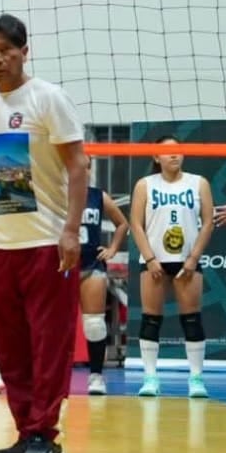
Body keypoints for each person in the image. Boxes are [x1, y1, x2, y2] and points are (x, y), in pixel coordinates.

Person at [0, 13, 89, 453]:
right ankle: (26, 431)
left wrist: (70, 229)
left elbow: (79, 167)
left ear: (25, 51)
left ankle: (46, 433)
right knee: (10, 346)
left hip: (46, 242)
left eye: (7, 50)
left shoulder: (48, 98)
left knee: (49, 344)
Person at [129, 136, 214, 399]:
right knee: (151, 319)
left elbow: (209, 221)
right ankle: (150, 378)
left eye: (177, 151)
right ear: (156, 157)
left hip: (186, 259)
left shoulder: (198, 182)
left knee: (192, 319)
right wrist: (150, 257)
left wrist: (193, 258)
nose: (174, 156)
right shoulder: (145, 185)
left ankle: (196, 379)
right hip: (154, 259)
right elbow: (135, 223)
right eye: (167, 152)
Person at [77, 160, 128, 395]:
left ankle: (96, 376)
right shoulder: (55, 194)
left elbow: (122, 224)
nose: (83, 170)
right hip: (60, 267)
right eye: (79, 165)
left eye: (87, 166)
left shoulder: (98, 195)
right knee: (53, 326)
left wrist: (112, 249)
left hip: (91, 264)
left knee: (95, 324)